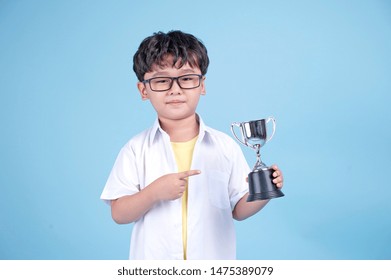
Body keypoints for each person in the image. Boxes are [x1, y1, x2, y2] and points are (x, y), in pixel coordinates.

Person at [100, 30, 284, 260]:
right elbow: (119, 213)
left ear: (202, 85)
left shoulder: (224, 147)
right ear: (143, 90)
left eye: (186, 78)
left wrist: (263, 191)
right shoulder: (136, 149)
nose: (175, 89)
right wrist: (153, 193)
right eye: (161, 80)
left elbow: (238, 210)